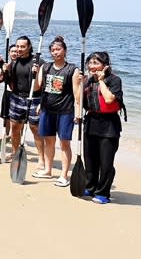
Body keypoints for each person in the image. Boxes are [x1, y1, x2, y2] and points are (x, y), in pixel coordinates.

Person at [33, 36, 80, 187]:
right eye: (52, 50)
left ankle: (64, 175)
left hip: (65, 111)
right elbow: (37, 88)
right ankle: (48, 170)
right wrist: (33, 74)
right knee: (48, 141)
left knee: (64, 143)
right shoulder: (45, 67)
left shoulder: (72, 69)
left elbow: (77, 94)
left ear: (65, 51)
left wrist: (78, 113)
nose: (55, 52)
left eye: (58, 49)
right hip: (47, 110)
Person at [82, 51, 125, 204]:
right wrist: (78, 82)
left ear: (105, 66)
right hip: (91, 122)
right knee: (90, 159)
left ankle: (103, 193)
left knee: (106, 162)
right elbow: (78, 100)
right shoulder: (87, 81)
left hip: (109, 125)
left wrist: (101, 81)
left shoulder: (114, 80)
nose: (91, 66)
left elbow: (108, 99)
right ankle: (90, 187)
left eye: (96, 63)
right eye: (90, 63)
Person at [4, 37, 45, 166]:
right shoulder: (14, 62)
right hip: (17, 98)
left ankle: (41, 158)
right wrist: (5, 71)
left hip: (34, 98)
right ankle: (15, 153)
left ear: (29, 47)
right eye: (17, 46)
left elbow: (41, 85)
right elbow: (10, 83)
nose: (19, 49)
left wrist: (37, 73)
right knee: (15, 128)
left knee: (35, 129)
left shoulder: (38, 61)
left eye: (22, 46)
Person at [0, 44, 18, 135]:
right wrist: (1, 66)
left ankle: (18, 136)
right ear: (9, 53)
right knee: (5, 116)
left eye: (16, 51)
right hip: (8, 93)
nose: (14, 53)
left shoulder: (23, 65)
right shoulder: (7, 65)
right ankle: (6, 135)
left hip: (19, 94)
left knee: (18, 118)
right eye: (12, 51)